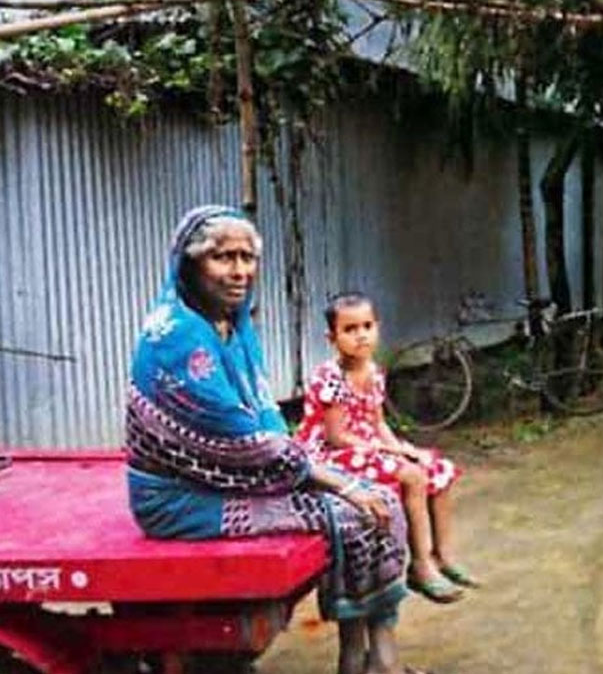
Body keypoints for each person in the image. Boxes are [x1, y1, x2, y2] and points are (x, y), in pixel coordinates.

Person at [125, 205, 419, 674]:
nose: (240, 270)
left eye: (247, 256)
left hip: (230, 480)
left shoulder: (232, 324)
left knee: (380, 498)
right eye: (223, 257)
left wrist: (317, 470)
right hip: (184, 499)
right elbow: (244, 442)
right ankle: (358, 659)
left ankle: (377, 654)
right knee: (346, 511)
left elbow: (264, 417)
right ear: (190, 263)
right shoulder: (177, 338)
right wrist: (334, 482)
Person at [295, 292, 479, 605]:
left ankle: (442, 555)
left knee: (437, 468)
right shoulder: (330, 378)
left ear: (377, 327)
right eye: (350, 330)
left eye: (367, 326)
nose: (361, 335)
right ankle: (420, 565)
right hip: (332, 452)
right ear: (332, 337)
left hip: (367, 442)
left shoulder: (373, 371)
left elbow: (378, 423)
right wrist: (387, 453)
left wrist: (400, 448)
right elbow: (338, 437)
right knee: (412, 476)